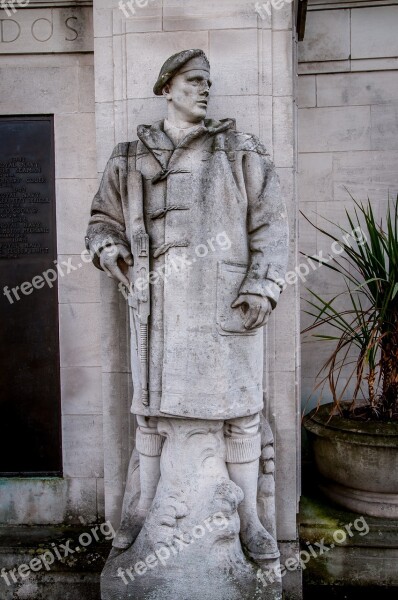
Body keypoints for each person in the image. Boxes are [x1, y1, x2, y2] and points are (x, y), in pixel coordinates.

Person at [86, 49, 288, 561]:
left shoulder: (241, 149)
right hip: (157, 311)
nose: (204, 89)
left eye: (208, 82)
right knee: (150, 415)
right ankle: (141, 508)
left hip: (226, 305)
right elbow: (100, 220)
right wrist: (109, 248)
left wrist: (262, 286)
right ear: (167, 87)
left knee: (242, 414)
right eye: (194, 81)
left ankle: (250, 522)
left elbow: (271, 226)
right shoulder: (129, 155)